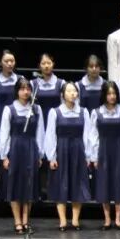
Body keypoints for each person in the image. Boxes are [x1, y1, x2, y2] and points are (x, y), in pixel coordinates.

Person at [0, 77, 45, 234]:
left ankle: (26, 220)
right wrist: (4, 155)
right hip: (15, 149)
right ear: (17, 91)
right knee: (15, 184)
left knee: (29, 185)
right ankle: (17, 221)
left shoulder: (36, 109)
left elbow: (40, 133)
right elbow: (4, 133)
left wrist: (40, 154)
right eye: (22, 89)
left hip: (31, 148)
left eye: (28, 89)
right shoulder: (9, 109)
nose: (26, 92)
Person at [44, 82, 92, 231]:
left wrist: (88, 155)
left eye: (74, 91)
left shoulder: (83, 112)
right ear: (63, 94)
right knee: (61, 184)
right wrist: (52, 156)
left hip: (78, 150)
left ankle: (75, 220)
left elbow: (88, 135)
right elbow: (50, 135)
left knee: (78, 184)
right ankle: (63, 220)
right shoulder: (55, 112)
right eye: (69, 91)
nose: (72, 93)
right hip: (62, 150)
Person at [88, 81, 120, 231]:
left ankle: (118, 219)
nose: (112, 96)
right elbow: (93, 136)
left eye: (114, 93)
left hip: (119, 150)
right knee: (104, 184)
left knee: (119, 183)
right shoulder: (96, 112)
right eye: (109, 94)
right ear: (104, 95)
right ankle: (107, 219)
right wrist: (94, 156)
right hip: (103, 151)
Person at [31, 53, 64, 132]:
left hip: (56, 121)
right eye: (43, 63)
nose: (46, 66)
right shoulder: (32, 84)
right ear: (39, 66)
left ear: (53, 64)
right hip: (38, 122)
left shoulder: (61, 83)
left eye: (49, 63)